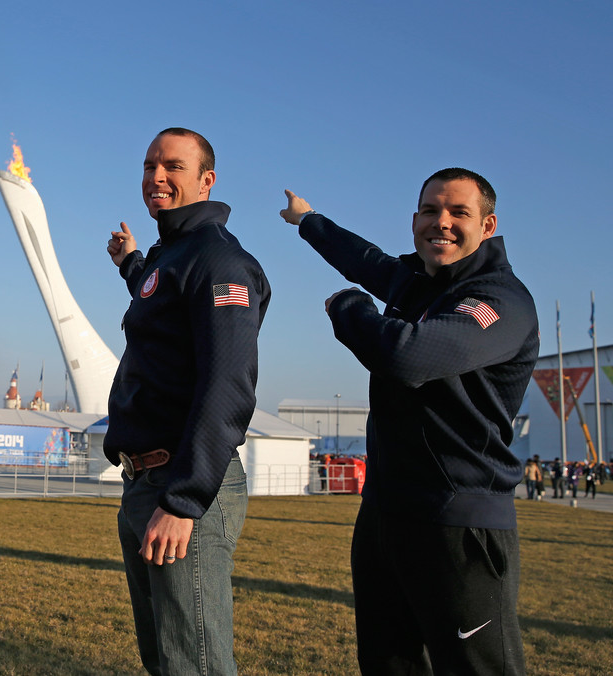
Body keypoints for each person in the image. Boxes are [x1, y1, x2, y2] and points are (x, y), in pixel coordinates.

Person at [281, 168, 538, 675]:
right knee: (388, 663)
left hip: (457, 524)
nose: (441, 222)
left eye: (458, 212)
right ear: (414, 219)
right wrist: (307, 221)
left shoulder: (499, 301)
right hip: (383, 515)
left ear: (488, 226)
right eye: (429, 210)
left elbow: (407, 357)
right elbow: (366, 260)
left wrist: (348, 306)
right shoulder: (417, 279)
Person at [104, 128, 270, 675]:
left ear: (207, 180)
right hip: (146, 481)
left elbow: (227, 385)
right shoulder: (171, 255)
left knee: (192, 664)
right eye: (150, 165)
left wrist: (184, 501)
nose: (156, 177)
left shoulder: (219, 262)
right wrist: (131, 262)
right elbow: (162, 309)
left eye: (173, 167)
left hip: (182, 484)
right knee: (166, 657)